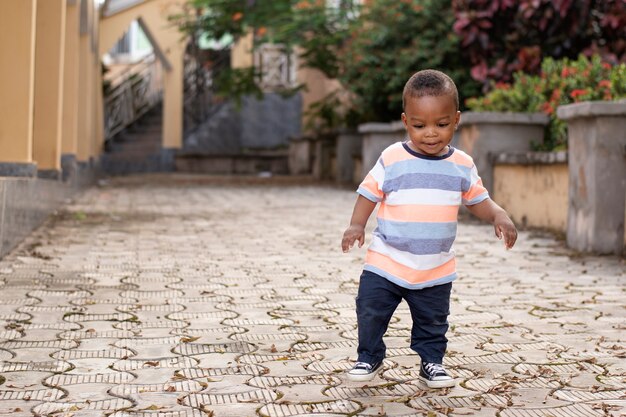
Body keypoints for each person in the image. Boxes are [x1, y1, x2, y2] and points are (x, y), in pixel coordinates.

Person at [341, 69, 517, 389]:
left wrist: (498, 214)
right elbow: (369, 192)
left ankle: (431, 362)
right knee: (370, 309)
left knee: (433, 322)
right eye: (420, 126)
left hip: (435, 266)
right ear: (406, 121)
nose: (431, 133)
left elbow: (476, 199)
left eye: (442, 124)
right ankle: (369, 355)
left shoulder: (461, 164)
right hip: (387, 259)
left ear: (457, 119)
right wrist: (356, 224)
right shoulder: (393, 157)